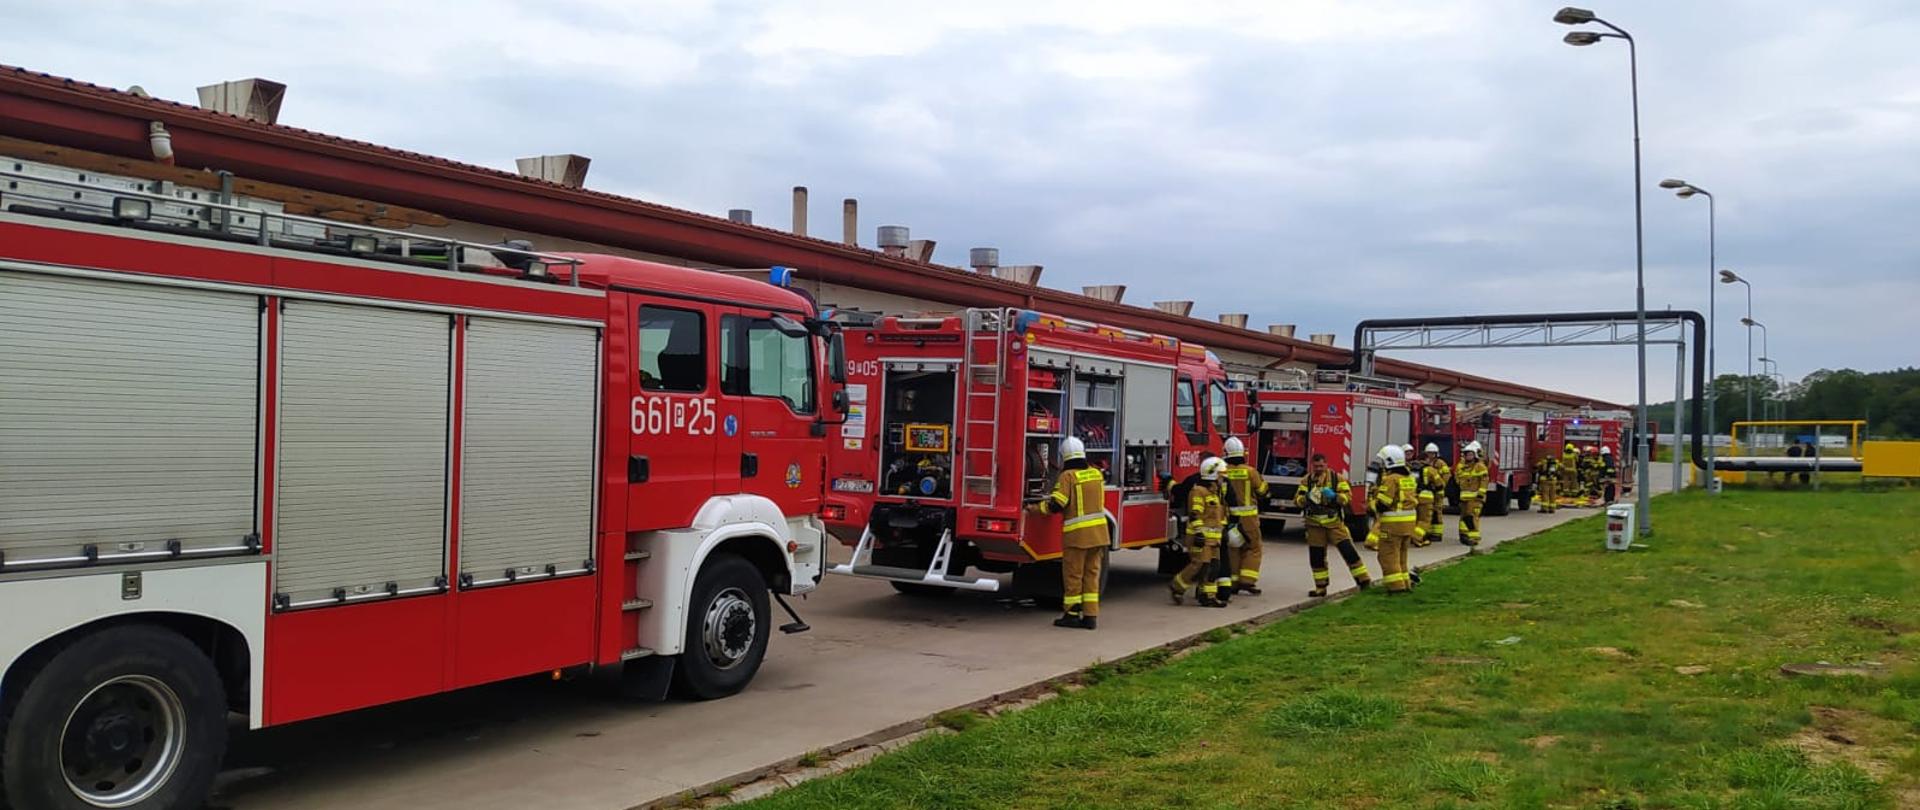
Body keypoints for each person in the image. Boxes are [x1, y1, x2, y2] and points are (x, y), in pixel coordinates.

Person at [1028, 437, 1107, 630]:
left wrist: (1034, 509)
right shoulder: (1096, 474)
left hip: (1077, 537)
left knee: (1073, 576)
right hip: (1099, 535)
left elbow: (1056, 504)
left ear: (1065, 456)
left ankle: (1071, 614)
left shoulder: (1067, 477)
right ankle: (1090, 616)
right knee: (1091, 575)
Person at [1294, 453, 1372, 597]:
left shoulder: (1337, 479)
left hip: (1334, 524)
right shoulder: (1307, 481)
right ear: (1312, 466)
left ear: (1326, 464)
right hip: (1314, 525)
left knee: (1349, 552)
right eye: (1316, 466)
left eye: (1321, 466)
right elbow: (1297, 500)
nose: (1319, 468)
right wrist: (1306, 498)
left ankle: (1364, 581)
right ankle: (1320, 587)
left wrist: (1335, 496)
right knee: (1317, 558)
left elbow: (1347, 498)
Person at [1170, 456, 1229, 607]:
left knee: (1213, 567)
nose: (1223, 480)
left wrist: (1223, 530)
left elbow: (1220, 515)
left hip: (1214, 539)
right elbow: (1194, 514)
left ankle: (1208, 596)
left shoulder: (1215, 493)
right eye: (1221, 476)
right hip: (1200, 538)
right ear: (1213, 475)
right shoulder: (1198, 492)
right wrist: (1199, 533)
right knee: (1199, 565)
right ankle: (1177, 586)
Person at [1220, 437, 1268, 596]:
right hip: (1248, 519)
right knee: (1253, 548)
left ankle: (1233, 582)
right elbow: (1262, 491)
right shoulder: (1250, 471)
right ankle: (1247, 581)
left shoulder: (1223, 471)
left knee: (1233, 549)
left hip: (1229, 517)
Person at [1370, 444, 1419, 593]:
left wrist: (1373, 501)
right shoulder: (1408, 477)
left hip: (1393, 525)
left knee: (1388, 556)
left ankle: (1396, 587)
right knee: (1401, 557)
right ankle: (1405, 583)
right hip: (1408, 524)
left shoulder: (1390, 479)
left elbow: (1384, 504)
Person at [1453, 441, 1489, 547]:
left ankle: (1474, 538)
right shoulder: (1463, 467)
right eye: (1467, 454)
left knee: (1472, 517)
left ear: (1475, 455)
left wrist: (1481, 493)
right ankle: (1464, 535)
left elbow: (1484, 480)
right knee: (1464, 517)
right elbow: (1458, 479)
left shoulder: (1479, 466)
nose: (1468, 456)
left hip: (1475, 498)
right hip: (1464, 498)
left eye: (1470, 454)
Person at [1415, 442, 1450, 547]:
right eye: (1429, 454)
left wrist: (1441, 487)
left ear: (1436, 454)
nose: (1431, 456)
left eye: (1432, 453)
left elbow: (1446, 476)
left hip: (1437, 493)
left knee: (1437, 512)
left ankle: (1437, 533)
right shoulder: (1428, 468)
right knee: (1425, 515)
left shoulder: (1441, 463)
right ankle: (1424, 534)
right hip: (1428, 493)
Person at [1534, 445, 1559, 514]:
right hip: (1553, 480)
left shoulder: (1543, 461)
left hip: (1545, 480)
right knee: (1552, 494)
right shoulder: (1556, 462)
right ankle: (1552, 509)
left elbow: (1536, 466)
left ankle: (1544, 508)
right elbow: (1561, 468)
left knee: (1545, 494)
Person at [1559, 442, 1581, 506]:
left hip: (1565, 470)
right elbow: (1577, 460)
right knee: (1574, 481)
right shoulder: (1573, 455)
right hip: (1573, 470)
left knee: (1566, 481)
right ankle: (1574, 493)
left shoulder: (1563, 454)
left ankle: (1566, 492)